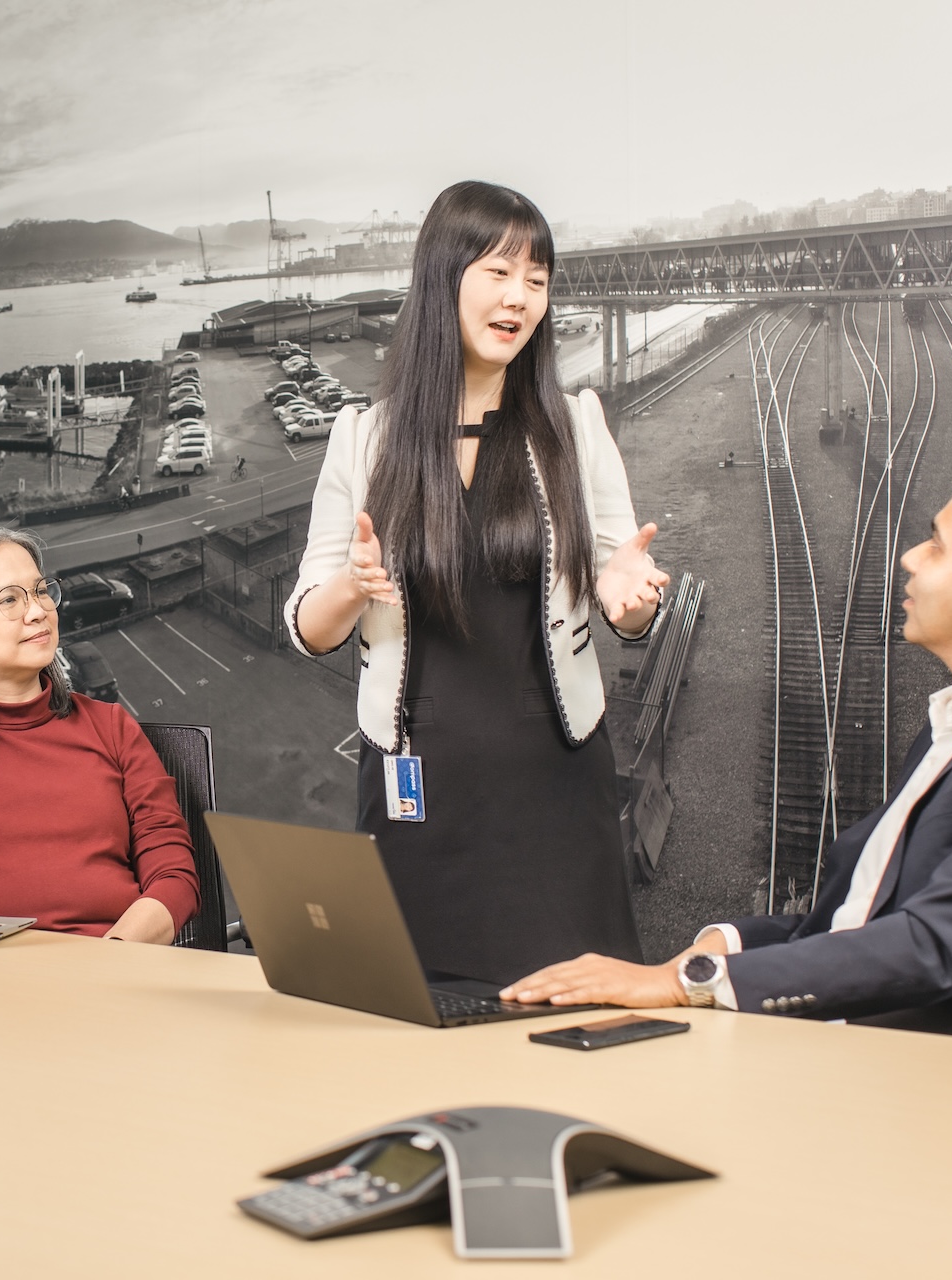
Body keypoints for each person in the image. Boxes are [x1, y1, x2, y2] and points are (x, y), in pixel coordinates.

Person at [503, 460, 952, 1046]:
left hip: (944, 1099)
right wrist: (719, 945)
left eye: (934, 545)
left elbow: (933, 947)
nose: (909, 557)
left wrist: (681, 983)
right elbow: (851, 925)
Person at [284, 180, 669, 985]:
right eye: (499, 272)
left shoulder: (574, 424)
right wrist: (356, 586)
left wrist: (630, 601)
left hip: (556, 776)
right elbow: (311, 626)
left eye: (537, 279)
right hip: (413, 779)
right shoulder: (363, 438)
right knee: (419, 1012)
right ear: (443, 278)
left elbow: (622, 594)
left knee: (573, 1004)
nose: (519, 298)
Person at [0, 525, 198, 941]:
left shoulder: (111, 726)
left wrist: (116, 952)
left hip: (112, 968)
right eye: (9, 599)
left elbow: (173, 871)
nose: (39, 610)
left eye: (41, 591)